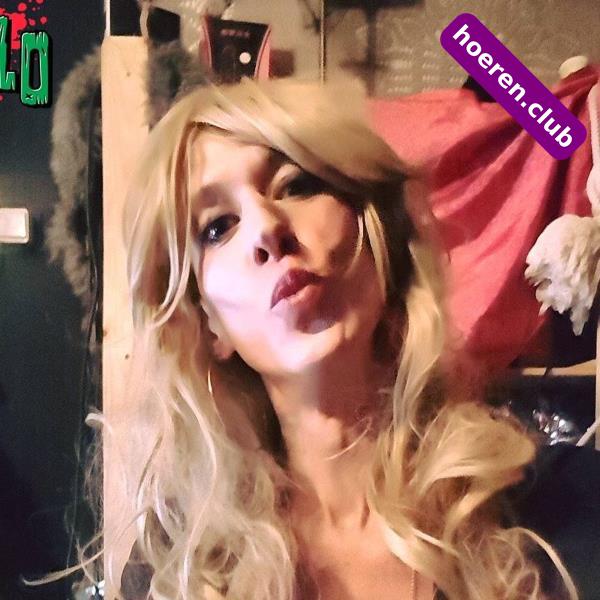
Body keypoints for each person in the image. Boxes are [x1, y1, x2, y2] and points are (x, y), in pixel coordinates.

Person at [97, 77, 599, 600]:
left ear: (378, 232)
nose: (266, 226)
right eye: (218, 227)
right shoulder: (176, 571)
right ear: (209, 326)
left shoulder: (569, 507)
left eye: (295, 185)